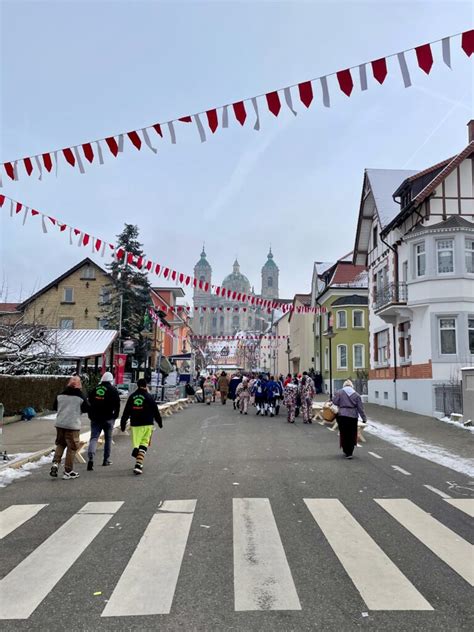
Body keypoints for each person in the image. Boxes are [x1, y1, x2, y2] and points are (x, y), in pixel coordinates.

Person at [120, 378, 163, 475]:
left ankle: (138, 461)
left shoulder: (132, 396)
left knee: (137, 444)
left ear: (137, 385)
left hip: (136, 424)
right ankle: (138, 462)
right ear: (146, 385)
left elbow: (126, 411)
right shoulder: (149, 397)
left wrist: (123, 424)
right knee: (144, 443)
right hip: (148, 424)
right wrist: (159, 422)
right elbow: (155, 411)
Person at [50, 376, 90, 480]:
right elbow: (86, 408)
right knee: (72, 447)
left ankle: (55, 463)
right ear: (78, 385)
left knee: (60, 444)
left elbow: (54, 407)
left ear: (68, 384)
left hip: (60, 424)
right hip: (72, 425)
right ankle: (68, 471)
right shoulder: (80, 396)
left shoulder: (60, 395)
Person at [87, 372, 120, 471]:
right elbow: (117, 405)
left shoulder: (95, 389)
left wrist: (90, 415)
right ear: (111, 380)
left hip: (95, 418)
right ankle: (106, 460)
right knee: (108, 439)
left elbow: (89, 403)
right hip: (108, 418)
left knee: (94, 438)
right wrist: (115, 416)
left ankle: (91, 458)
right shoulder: (113, 390)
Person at [331, 379, 367, 459]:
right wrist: (364, 418)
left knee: (344, 433)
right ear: (351, 386)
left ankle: (345, 449)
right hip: (353, 416)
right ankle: (350, 451)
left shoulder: (339, 392)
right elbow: (360, 408)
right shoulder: (356, 395)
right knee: (352, 433)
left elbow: (335, 402)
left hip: (342, 415)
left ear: (344, 385)